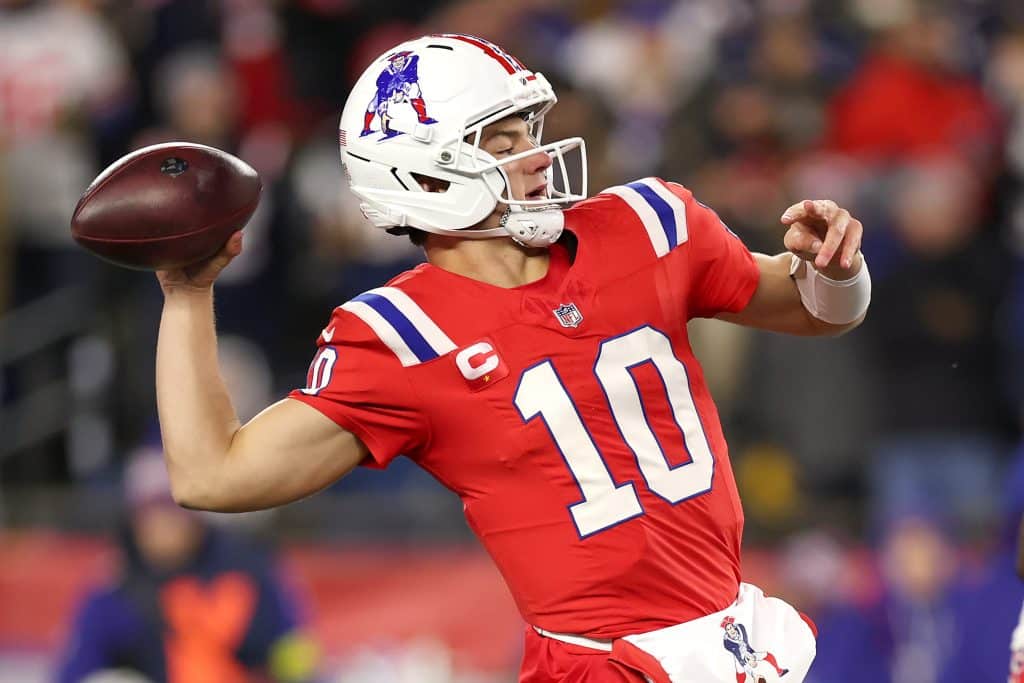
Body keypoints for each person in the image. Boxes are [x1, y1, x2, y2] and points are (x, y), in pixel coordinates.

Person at [153, 34, 870, 683]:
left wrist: (834, 267)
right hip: (597, 665)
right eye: (501, 141)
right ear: (423, 177)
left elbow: (815, 309)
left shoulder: (648, 224)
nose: (535, 157)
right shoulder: (399, 334)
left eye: (531, 130)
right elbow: (212, 473)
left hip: (736, 638)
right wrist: (188, 295)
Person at [56, 449, 319, 683]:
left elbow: (293, 647)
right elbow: (77, 668)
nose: (164, 527)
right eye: (153, 515)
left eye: (174, 514)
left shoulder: (250, 569)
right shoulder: (114, 588)